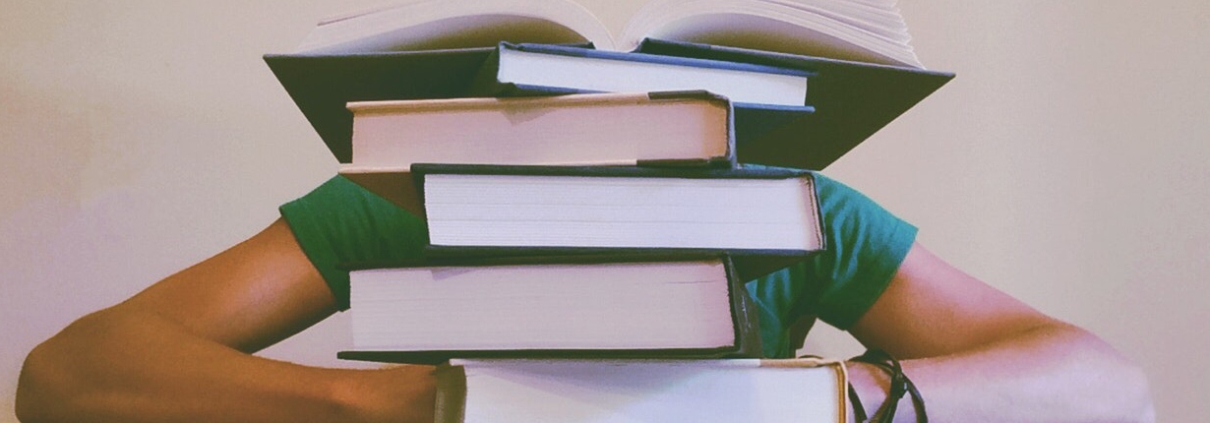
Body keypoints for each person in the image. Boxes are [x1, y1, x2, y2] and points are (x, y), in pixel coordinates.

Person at [15, 173, 1153, 422]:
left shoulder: (791, 214)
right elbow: (68, 377)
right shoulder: (408, 199)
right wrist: (408, 405)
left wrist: (829, 402)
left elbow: (1108, 387)